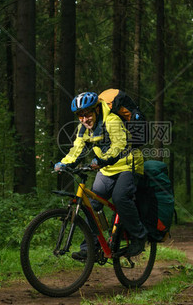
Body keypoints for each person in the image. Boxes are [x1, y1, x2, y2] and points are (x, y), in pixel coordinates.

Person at [54, 91, 147, 259]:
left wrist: (102, 160)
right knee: (93, 205)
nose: (84, 119)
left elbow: (119, 145)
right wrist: (64, 163)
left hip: (128, 165)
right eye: (80, 116)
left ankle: (139, 237)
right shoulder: (83, 129)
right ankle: (91, 247)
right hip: (106, 170)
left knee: (120, 198)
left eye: (87, 114)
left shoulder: (112, 120)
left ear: (97, 109)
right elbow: (76, 149)